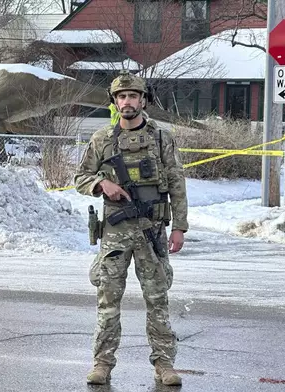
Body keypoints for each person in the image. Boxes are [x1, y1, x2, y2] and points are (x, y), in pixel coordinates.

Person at [74, 70, 188, 386]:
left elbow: (177, 182)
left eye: (133, 96)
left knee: (158, 300)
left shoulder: (162, 138)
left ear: (143, 100)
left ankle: (164, 365)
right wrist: (102, 184)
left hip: (152, 230)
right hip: (115, 233)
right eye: (122, 96)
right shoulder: (102, 139)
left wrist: (180, 226)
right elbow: (80, 177)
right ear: (115, 102)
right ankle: (102, 364)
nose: (127, 101)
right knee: (107, 300)